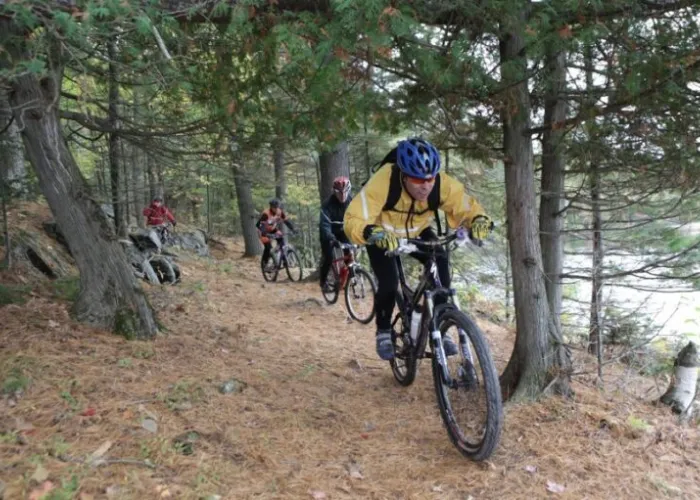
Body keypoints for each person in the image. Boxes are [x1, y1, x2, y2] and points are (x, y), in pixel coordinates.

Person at [343, 138, 493, 360]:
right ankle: (384, 330)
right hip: (382, 234)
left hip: (418, 232)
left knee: (440, 264)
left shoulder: (441, 184)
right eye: (416, 179)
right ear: (403, 174)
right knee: (389, 282)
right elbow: (354, 217)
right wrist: (370, 232)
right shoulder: (385, 180)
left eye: (430, 178)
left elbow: (465, 205)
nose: (425, 185)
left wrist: (479, 219)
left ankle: (440, 326)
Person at [319, 176, 353, 292]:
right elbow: (324, 224)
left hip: (342, 231)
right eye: (339, 193)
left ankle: (350, 278)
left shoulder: (352, 202)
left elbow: (358, 218)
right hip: (328, 233)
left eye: (345, 192)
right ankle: (323, 282)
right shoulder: (327, 204)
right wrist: (330, 237)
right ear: (334, 192)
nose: (342, 196)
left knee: (349, 254)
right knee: (329, 257)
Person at [257, 198, 296, 270]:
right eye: (274, 207)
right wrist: (265, 234)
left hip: (272, 229)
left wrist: (293, 229)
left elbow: (286, 221)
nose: (276, 208)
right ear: (271, 207)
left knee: (282, 240)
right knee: (268, 247)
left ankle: (284, 261)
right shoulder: (266, 214)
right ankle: (265, 264)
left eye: (277, 207)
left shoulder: (279, 212)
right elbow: (260, 226)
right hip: (262, 231)